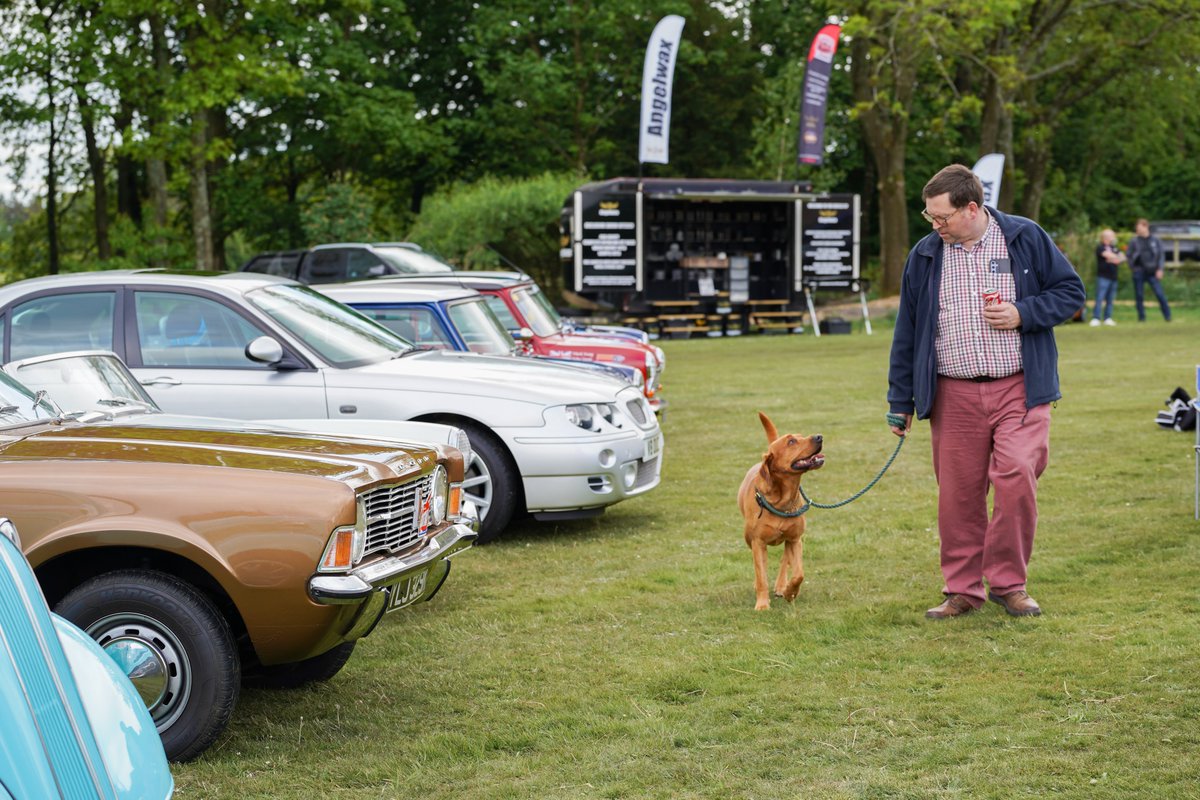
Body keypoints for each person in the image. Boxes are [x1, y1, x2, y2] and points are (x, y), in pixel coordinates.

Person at [887, 164, 1085, 620]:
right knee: (958, 495)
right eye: (929, 217)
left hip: (1019, 386)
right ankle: (962, 590)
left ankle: (1009, 584)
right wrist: (900, 401)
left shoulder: (1025, 237)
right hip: (952, 394)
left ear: (971, 208)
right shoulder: (925, 255)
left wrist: (1022, 313)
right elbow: (908, 332)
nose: (935, 226)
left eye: (942, 218)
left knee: (1016, 475)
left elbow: (1071, 291)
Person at [1125, 218, 1171, 321]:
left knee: (1160, 294)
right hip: (1139, 271)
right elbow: (1129, 255)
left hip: (1153, 272)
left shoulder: (1155, 240)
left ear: (1145, 226)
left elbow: (1161, 255)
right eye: (1137, 228)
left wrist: (1160, 269)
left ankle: (1167, 316)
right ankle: (1141, 318)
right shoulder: (1134, 241)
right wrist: (1133, 268)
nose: (1137, 230)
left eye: (1139, 228)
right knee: (1139, 296)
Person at [1090, 229, 1125, 326]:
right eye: (1112, 236)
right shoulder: (1100, 248)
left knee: (1110, 299)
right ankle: (1096, 318)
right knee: (1100, 298)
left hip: (1113, 277)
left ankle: (1107, 318)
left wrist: (1113, 258)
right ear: (1106, 237)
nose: (1114, 238)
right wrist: (1115, 257)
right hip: (1103, 277)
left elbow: (1122, 258)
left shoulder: (1114, 248)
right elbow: (1111, 256)